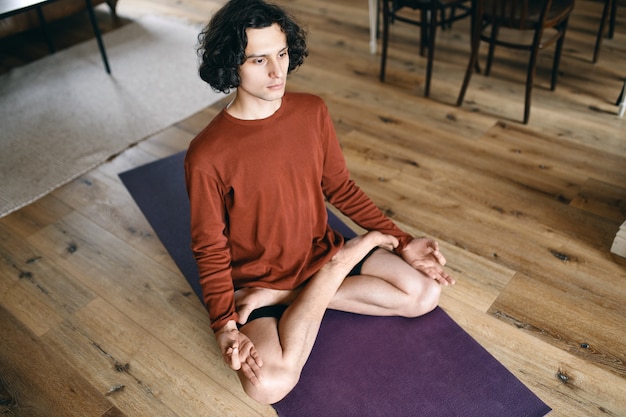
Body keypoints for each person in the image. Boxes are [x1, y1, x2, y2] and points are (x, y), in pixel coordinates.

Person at [185, 0, 454, 404]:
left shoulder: (312, 110)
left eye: (281, 53)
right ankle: (326, 275)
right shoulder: (206, 154)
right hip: (258, 281)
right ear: (232, 65)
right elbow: (210, 246)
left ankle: (300, 291)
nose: (278, 72)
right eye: (259, 60)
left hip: (319, 251)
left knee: (424, 294)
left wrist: (402, 241)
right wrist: (224, 325)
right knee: (267, 386)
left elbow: (340, 188)